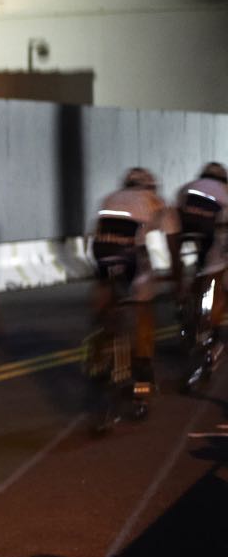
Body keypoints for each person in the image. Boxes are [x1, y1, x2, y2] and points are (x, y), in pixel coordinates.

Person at [89, 167, 175, 397]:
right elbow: (172, 242)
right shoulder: (154, 200)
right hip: (129, 250)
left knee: (106, 285)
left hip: (101, 247)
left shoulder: (110, 197)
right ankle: (144, 366)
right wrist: (177, 277)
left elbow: (98, 232)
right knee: (143, 305)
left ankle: (102, 332)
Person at [169, 161, 228, 343]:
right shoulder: (225, 189)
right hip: (214, 230)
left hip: (187, 231)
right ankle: (211, 327)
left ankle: (187, 301)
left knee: (202, 268)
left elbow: (176, 215)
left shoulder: (187, 187)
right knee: (217, 276)